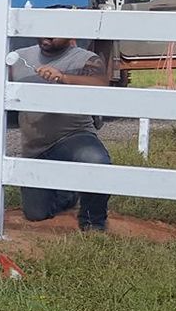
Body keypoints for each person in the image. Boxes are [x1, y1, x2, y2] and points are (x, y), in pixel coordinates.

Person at [7, 36, 113, 232]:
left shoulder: (85, 59)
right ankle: (69, 194)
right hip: (35, 149)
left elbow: (101, 84)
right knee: (36, 213)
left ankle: (93, 222)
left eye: (54, 32)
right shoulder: (19, 57)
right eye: (44, 30)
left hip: (74, 137)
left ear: (70, 35)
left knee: (96, 161)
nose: (47, 35)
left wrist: (64, 78)